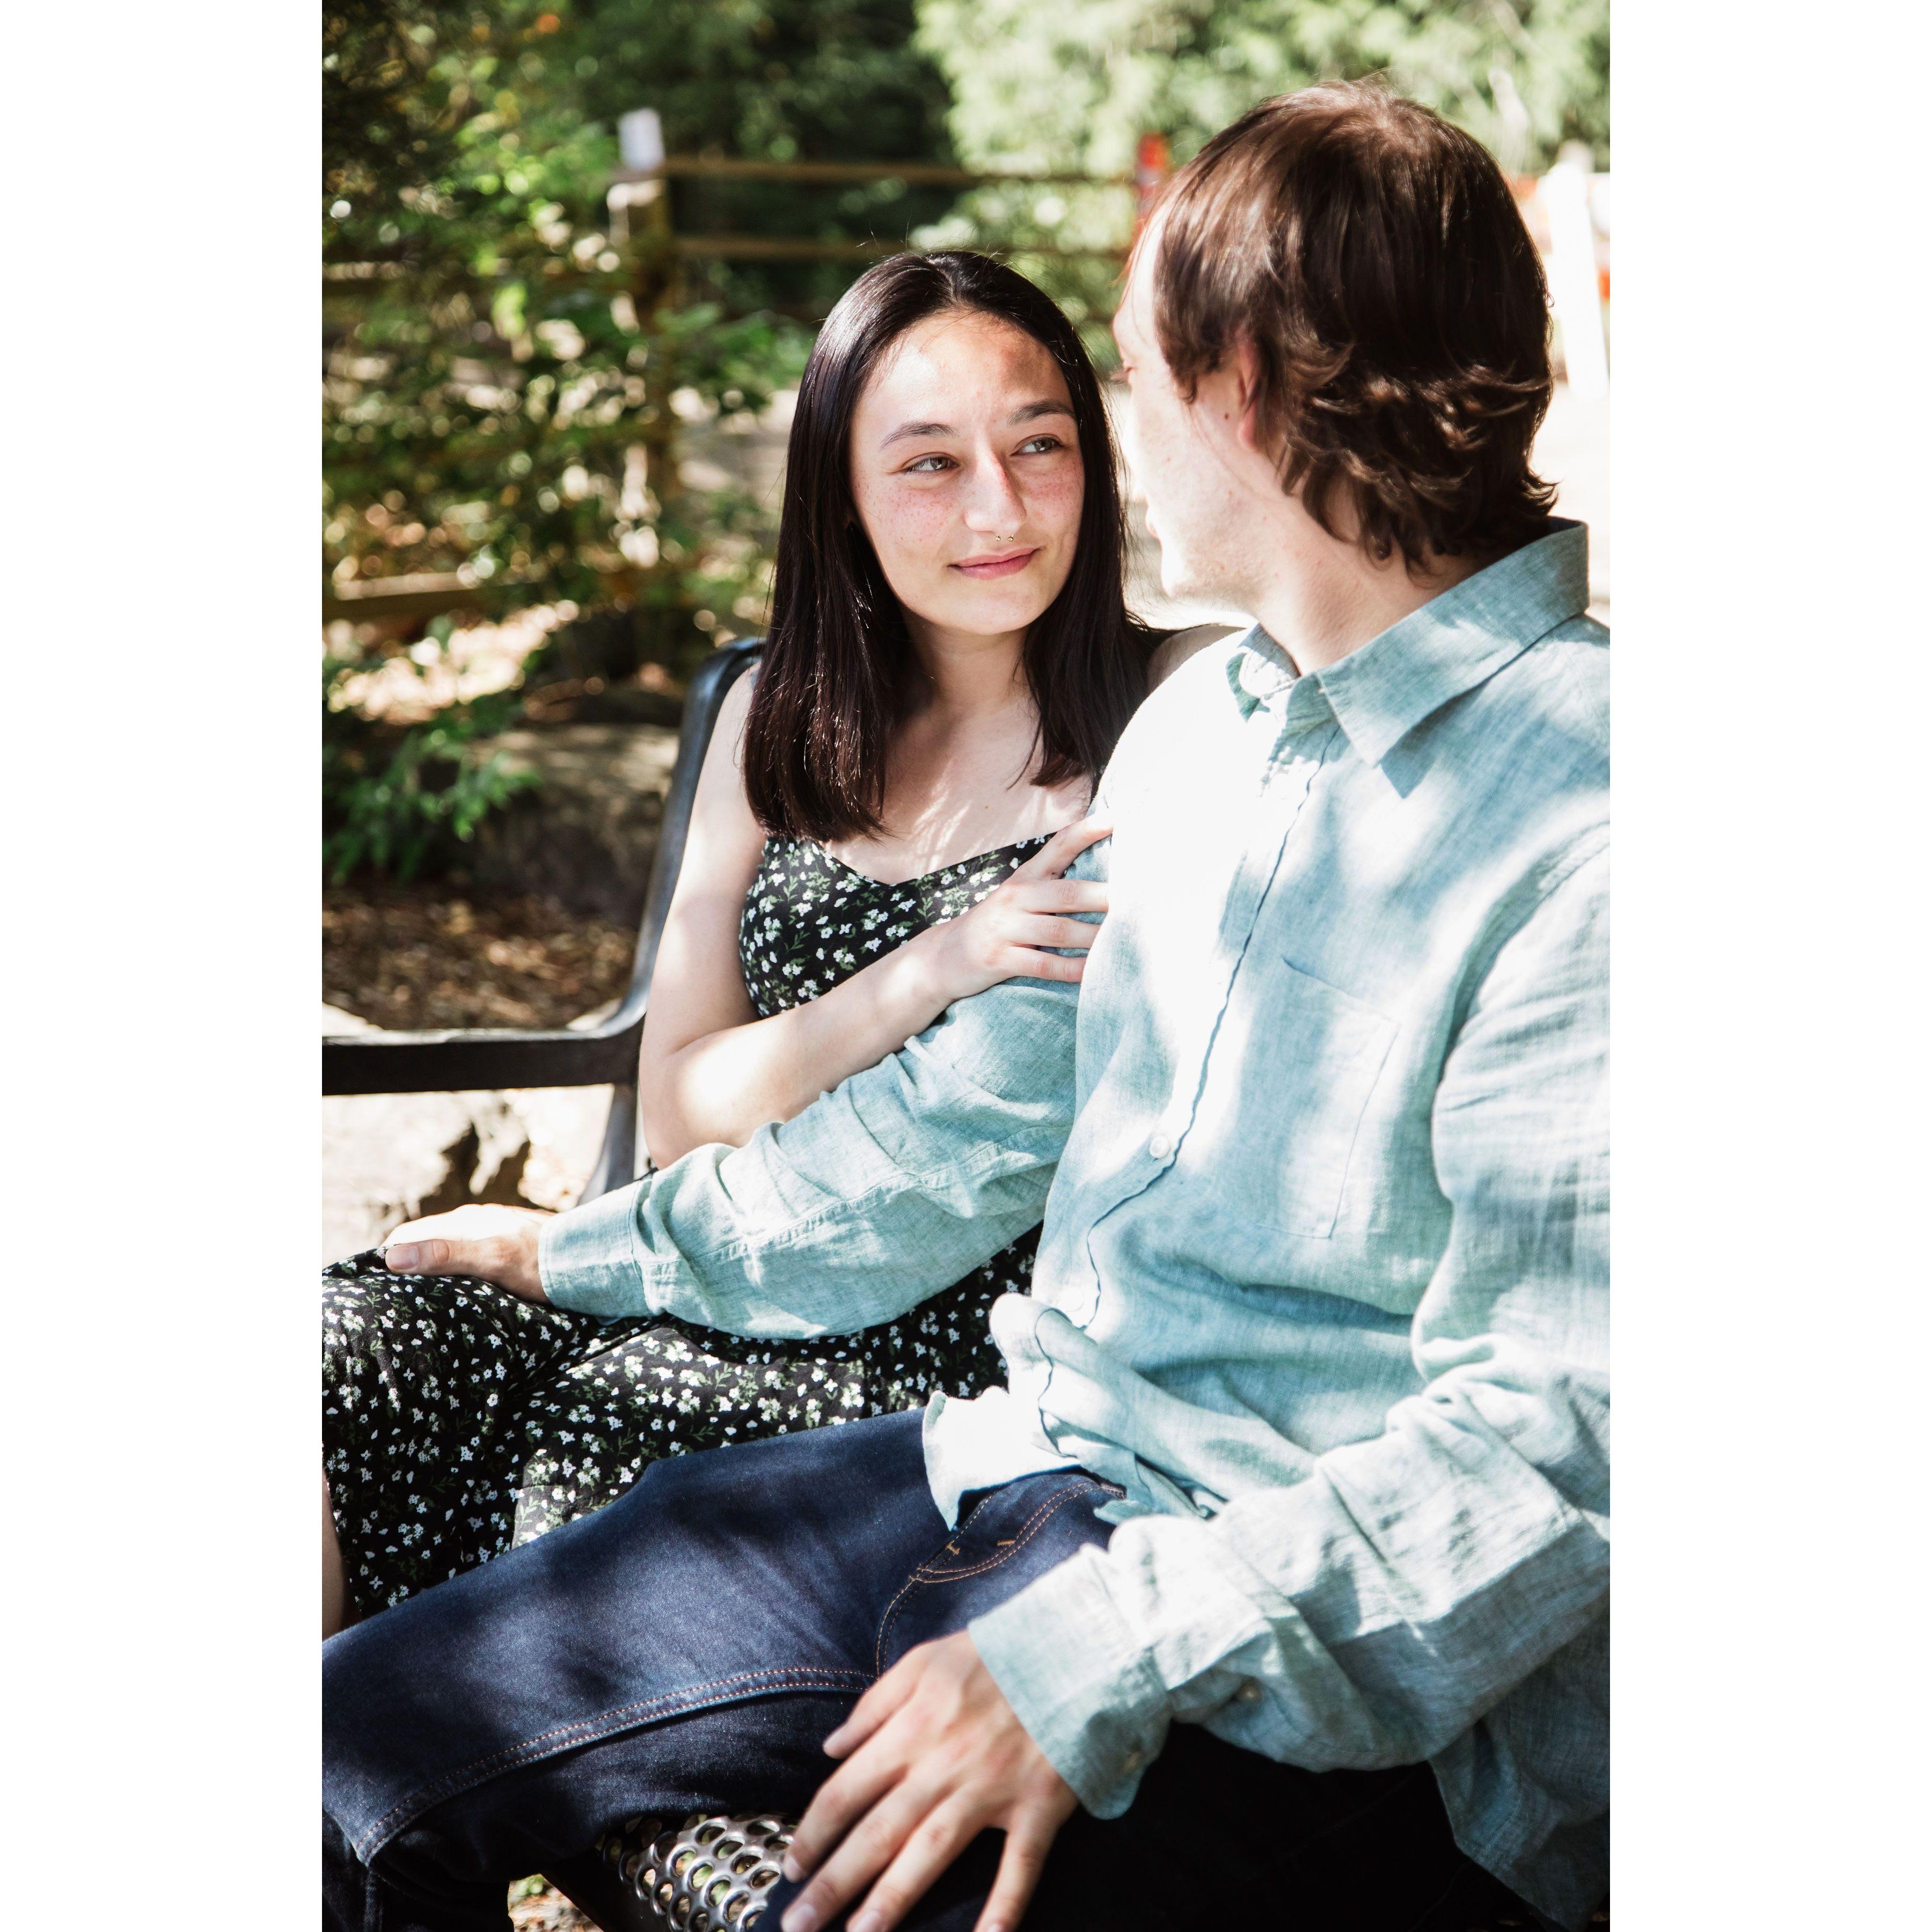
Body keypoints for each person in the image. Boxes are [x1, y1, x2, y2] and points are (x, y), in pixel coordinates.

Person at [326, 82, 1608, 1932]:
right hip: (1005, 1475)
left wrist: (1096, 1657)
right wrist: (579, 1251)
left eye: (1130, 378)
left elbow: (1561, 1446)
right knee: (341, 1760)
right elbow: (946, 1141)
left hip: (1315, 1670)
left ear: (1243, 391)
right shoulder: (1203, 732)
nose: (1120, 434)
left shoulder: (1595, 819)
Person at [319, 250, 1231, 1637]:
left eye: (1039, 444)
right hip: (688, 1252)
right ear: (840, 494)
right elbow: (680, 1106)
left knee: (596, 1451)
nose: (997, 507)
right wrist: (935, 965)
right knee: (337, 1350)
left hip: (930, 1336)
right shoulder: (777, 716)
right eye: (929, 463)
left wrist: (592, 1240)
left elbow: (965, 1164)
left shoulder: (1178, 705)